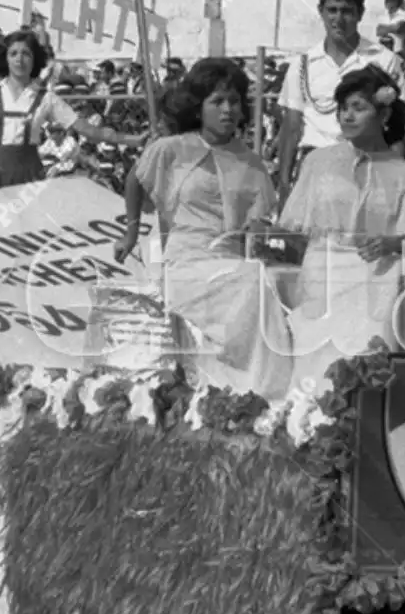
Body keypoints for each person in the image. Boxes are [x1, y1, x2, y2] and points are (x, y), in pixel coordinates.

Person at [114, 58, 290, 394]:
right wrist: (131, 232)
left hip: (233, 259)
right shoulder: (170, 149)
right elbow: (134, 182)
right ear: (198, 107)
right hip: (185, 260)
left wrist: (257, 232)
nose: (227, 110)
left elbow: (259, 222)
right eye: (217, 102)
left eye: (234, 102)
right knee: (252, 282)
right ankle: (249, 385)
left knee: (260, 279)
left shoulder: (253, 165)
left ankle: (254, 387)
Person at [278, 67, 405, 387]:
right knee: (314, 369)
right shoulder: (317, 163)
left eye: (358, 108)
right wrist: (264, 234)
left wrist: (390, 244)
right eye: (343, 108)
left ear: (383, 114)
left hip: (375, 277)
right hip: (323, 272)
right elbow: (296, 229)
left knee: (368, 357)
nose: (347, 116)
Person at [0, 29, 144, 190]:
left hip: (29, 171)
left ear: (35, 60)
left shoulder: (47, 98)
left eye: (26, 53)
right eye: (13, 53)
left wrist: (132, 140)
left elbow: (90, 131)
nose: (19, 59)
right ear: (5, 58)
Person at [275, 0, 405, 194]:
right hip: (314, 171)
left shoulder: (383, 60)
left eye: (346, 11)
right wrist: (284, 184)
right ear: (321, 11)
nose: (338, 18)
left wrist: (397, 185)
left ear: (360, 14)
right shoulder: (301, 65)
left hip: (367, 169)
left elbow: (396, 128)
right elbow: (291, 127)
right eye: (332, 10)